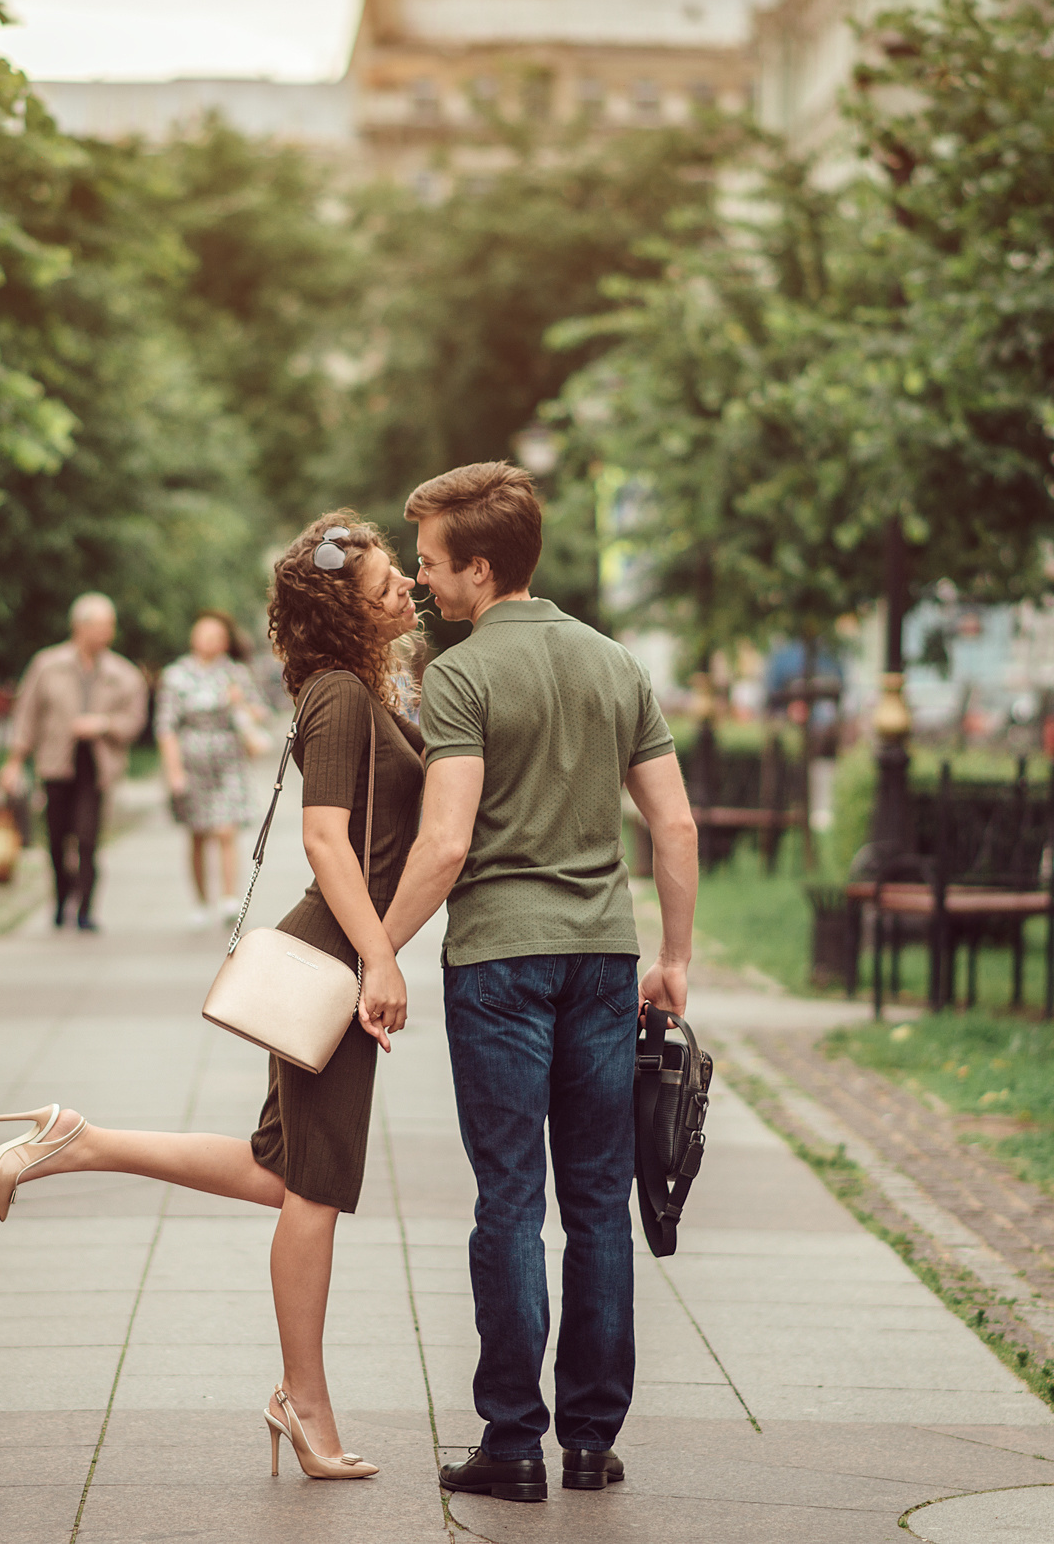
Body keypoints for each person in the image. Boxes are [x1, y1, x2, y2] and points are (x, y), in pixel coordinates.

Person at [0, 513, 423, 1481]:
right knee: (313, 1191)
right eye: (384, 582)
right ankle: (302, 1401)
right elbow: (325, 840)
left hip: (343, 952)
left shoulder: (358, 689)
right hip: (338, 958)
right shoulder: (341, 694)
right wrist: (379, 960)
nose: (405, 588)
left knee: (281, 1171)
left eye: (400, 573)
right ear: (345, 612)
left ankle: (77, 1141)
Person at [380, 462, 700, 1505]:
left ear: (481, 567)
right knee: (599, 1200)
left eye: (432, 563)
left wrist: (377, 951)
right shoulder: (615, 663)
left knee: (511, 1200)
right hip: (605, 960)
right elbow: (675, 824)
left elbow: (445, 844)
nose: (422, 581)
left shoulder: (463, 676)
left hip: (499, 964)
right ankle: (592, 1443)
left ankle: (513, 1442)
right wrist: (675, 959)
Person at [0, 593, 150, 931]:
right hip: (55, 763)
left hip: (97, 767)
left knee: (87, 839)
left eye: (110, 625)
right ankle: (62, 895)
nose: (108, 632)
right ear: (80, 626)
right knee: (56, 838)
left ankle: (85, 910)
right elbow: (27, 716)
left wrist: (104, 724)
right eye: (102, 625)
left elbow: (135, 720)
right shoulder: (47, 665)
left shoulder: (123, 673)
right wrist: (14, 761)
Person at [156, 609, 266, 925]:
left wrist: (240, 702)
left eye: (217, 636)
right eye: (205, 635)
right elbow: (166, 726)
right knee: (198, 833)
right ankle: (201, 901)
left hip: (229, 759)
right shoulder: (176, 675)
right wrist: (174, 772)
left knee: (226, 829)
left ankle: (229, 898)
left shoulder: (235, 674)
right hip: (192, 761)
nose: (210, 641)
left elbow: (260, 713)